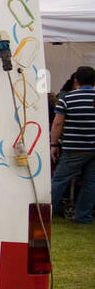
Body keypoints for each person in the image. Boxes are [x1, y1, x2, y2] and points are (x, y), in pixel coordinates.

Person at [50, 65, 95, 224]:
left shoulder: (67, 98)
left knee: (59, 181)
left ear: (76, 80)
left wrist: (53, 144)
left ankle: (48, 212)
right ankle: (83, 216)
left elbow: (57, 124)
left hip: (74, 148)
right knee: (91, 184)